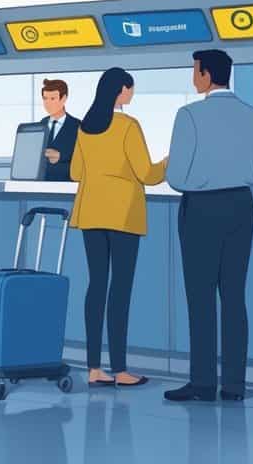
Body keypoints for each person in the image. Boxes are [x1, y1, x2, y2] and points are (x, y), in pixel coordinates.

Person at [164, 50, 253, 403]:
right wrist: (240, 199)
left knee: (201, 299)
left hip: (201, 209)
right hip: (241, 207)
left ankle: (204, 383)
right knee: (234, 297)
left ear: (207, 75)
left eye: (196, 72)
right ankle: (235, 386)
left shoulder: (189, 115)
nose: (194, 78)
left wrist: (204, 186)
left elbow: (176, 176)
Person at [70, 68, 165, 388]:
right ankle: (121, 369)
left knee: (96, 286)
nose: (132, 94)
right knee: (120, 290)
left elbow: (75, 172)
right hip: (123, 215)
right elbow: (147, 174)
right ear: (121, 91)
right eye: (131, 89)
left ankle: (94, 368)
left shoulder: (85, 126)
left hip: (91, 211)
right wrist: (169, 160)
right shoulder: (127, 125)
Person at [39, 79, 80, 181]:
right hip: (41, 185)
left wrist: (61, 156)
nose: (48, 103)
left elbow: (84, 160)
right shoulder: (41, 125)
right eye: (45, 98)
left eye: (53, 99)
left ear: (64, 98)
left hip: (68, 186)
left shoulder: (78, 126)